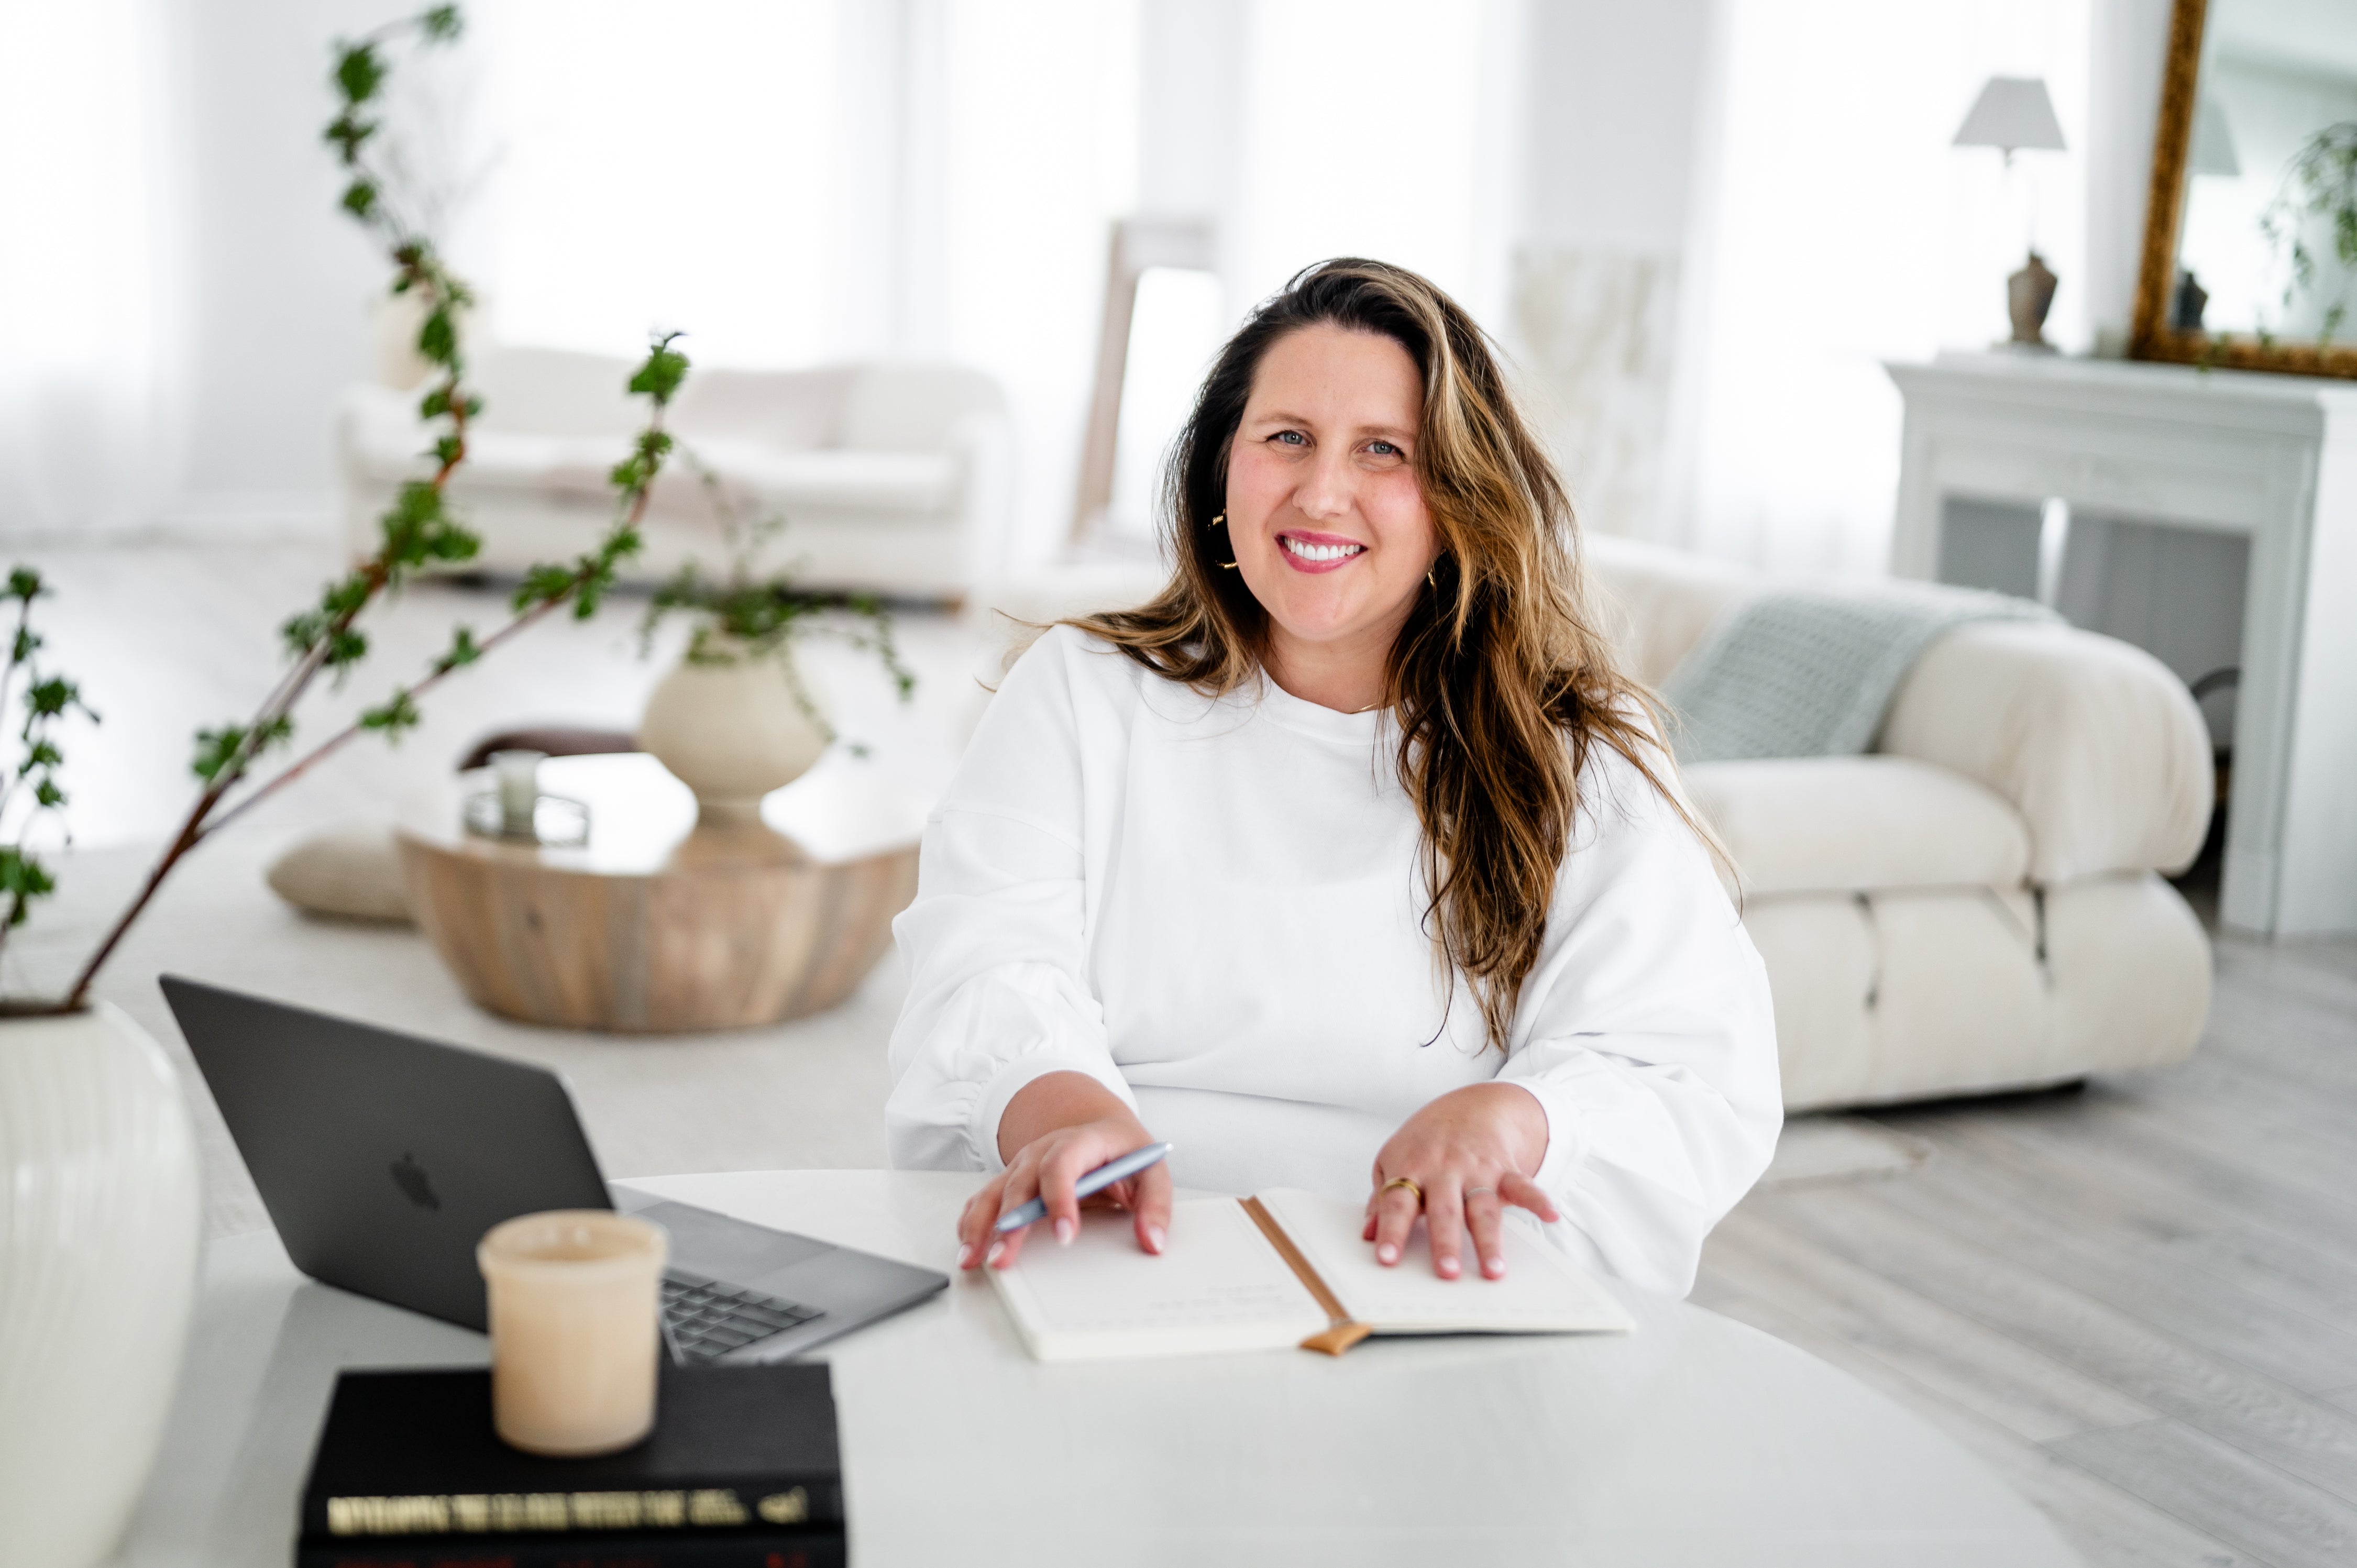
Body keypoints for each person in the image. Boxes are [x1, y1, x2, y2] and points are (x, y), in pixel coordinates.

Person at [886, 259, 1779, 1297]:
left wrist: (1515, 1120)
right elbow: (985, 969)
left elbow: (1680, 1061)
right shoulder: (1078, 691)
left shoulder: (1582, 757)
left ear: (1459, 497)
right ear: (1222, 465)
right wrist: (1070, 1119)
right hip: (1114, 1247)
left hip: (1433, 1269)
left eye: (1383, 450)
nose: (1321, 492)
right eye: (1287, 437)